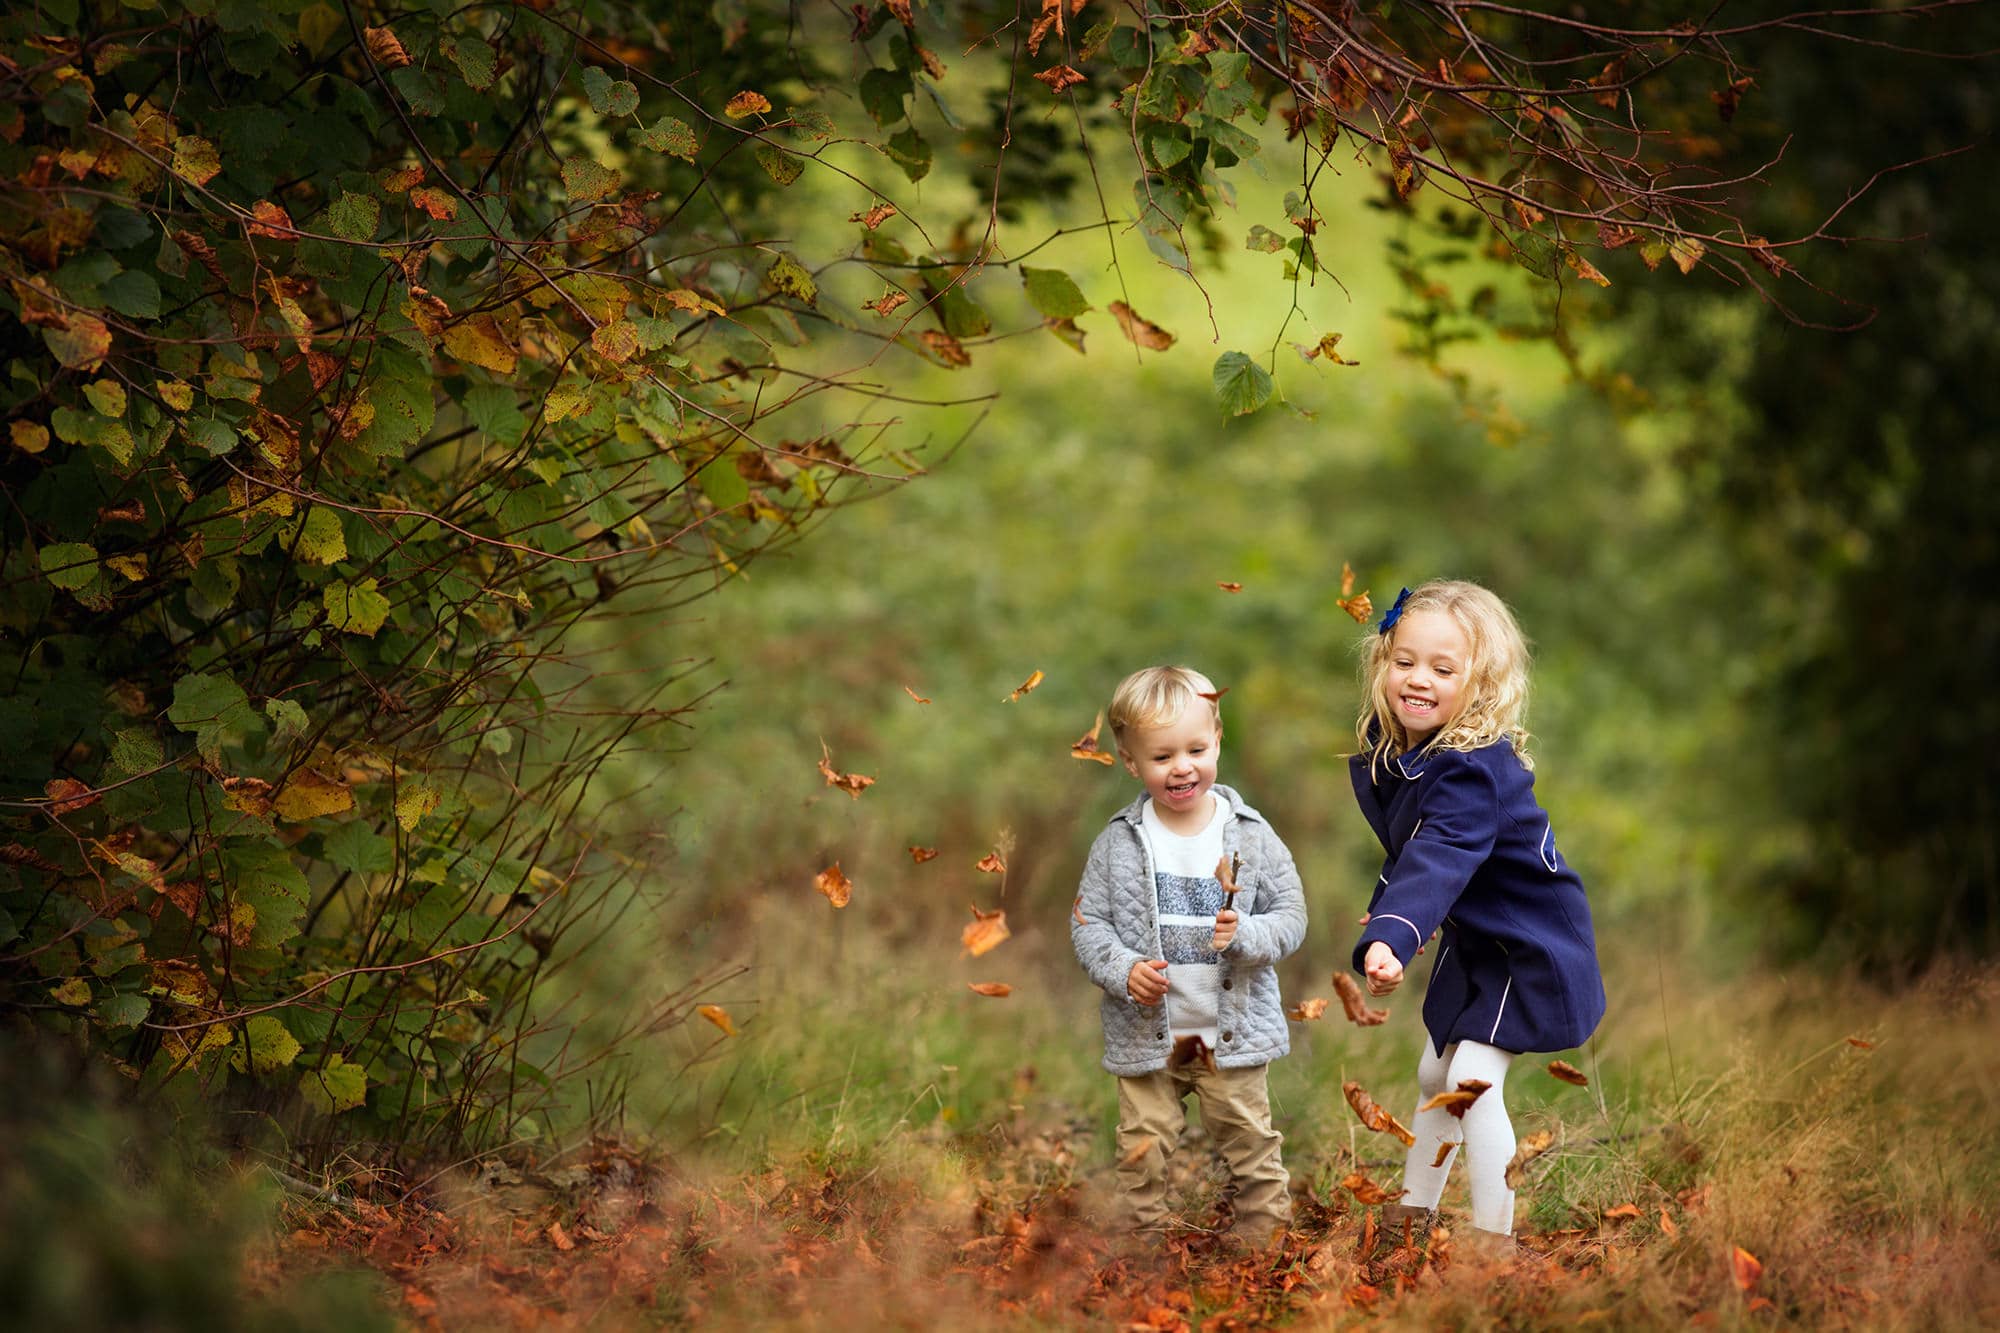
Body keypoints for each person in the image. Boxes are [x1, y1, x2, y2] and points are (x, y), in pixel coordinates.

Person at [1347, 580, 1605, 1250]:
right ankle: (1409, 1223)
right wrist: (1389, 920)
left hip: (1529, 944)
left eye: (1442, 668)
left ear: (1479, 683)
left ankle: (1495, 1245)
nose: (1419, 679)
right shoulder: (1410, 757)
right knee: (1436, 1077)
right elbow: (1416, 855)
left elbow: (1441, 852)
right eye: (1405, 661)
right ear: (1382, 663)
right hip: (1481, 943)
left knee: (1468, 1082)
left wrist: (1393, 936)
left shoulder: (1470, 771)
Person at [1071, 665, 1309, 1247]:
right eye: (1162, 757)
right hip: (1149, 1033)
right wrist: (1123, 970)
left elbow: (1292, 916)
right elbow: (1087, 924)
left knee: (1250, 1142)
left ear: (1218, 739)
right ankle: (1141, 1243)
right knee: (1141, 1147)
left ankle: (1262, 1241)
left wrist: (1249, 934)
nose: (1182, 767)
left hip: (1231, 1034)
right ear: (1131, 762)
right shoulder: (1119, 843)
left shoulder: (1249, 834)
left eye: (1196, 749)